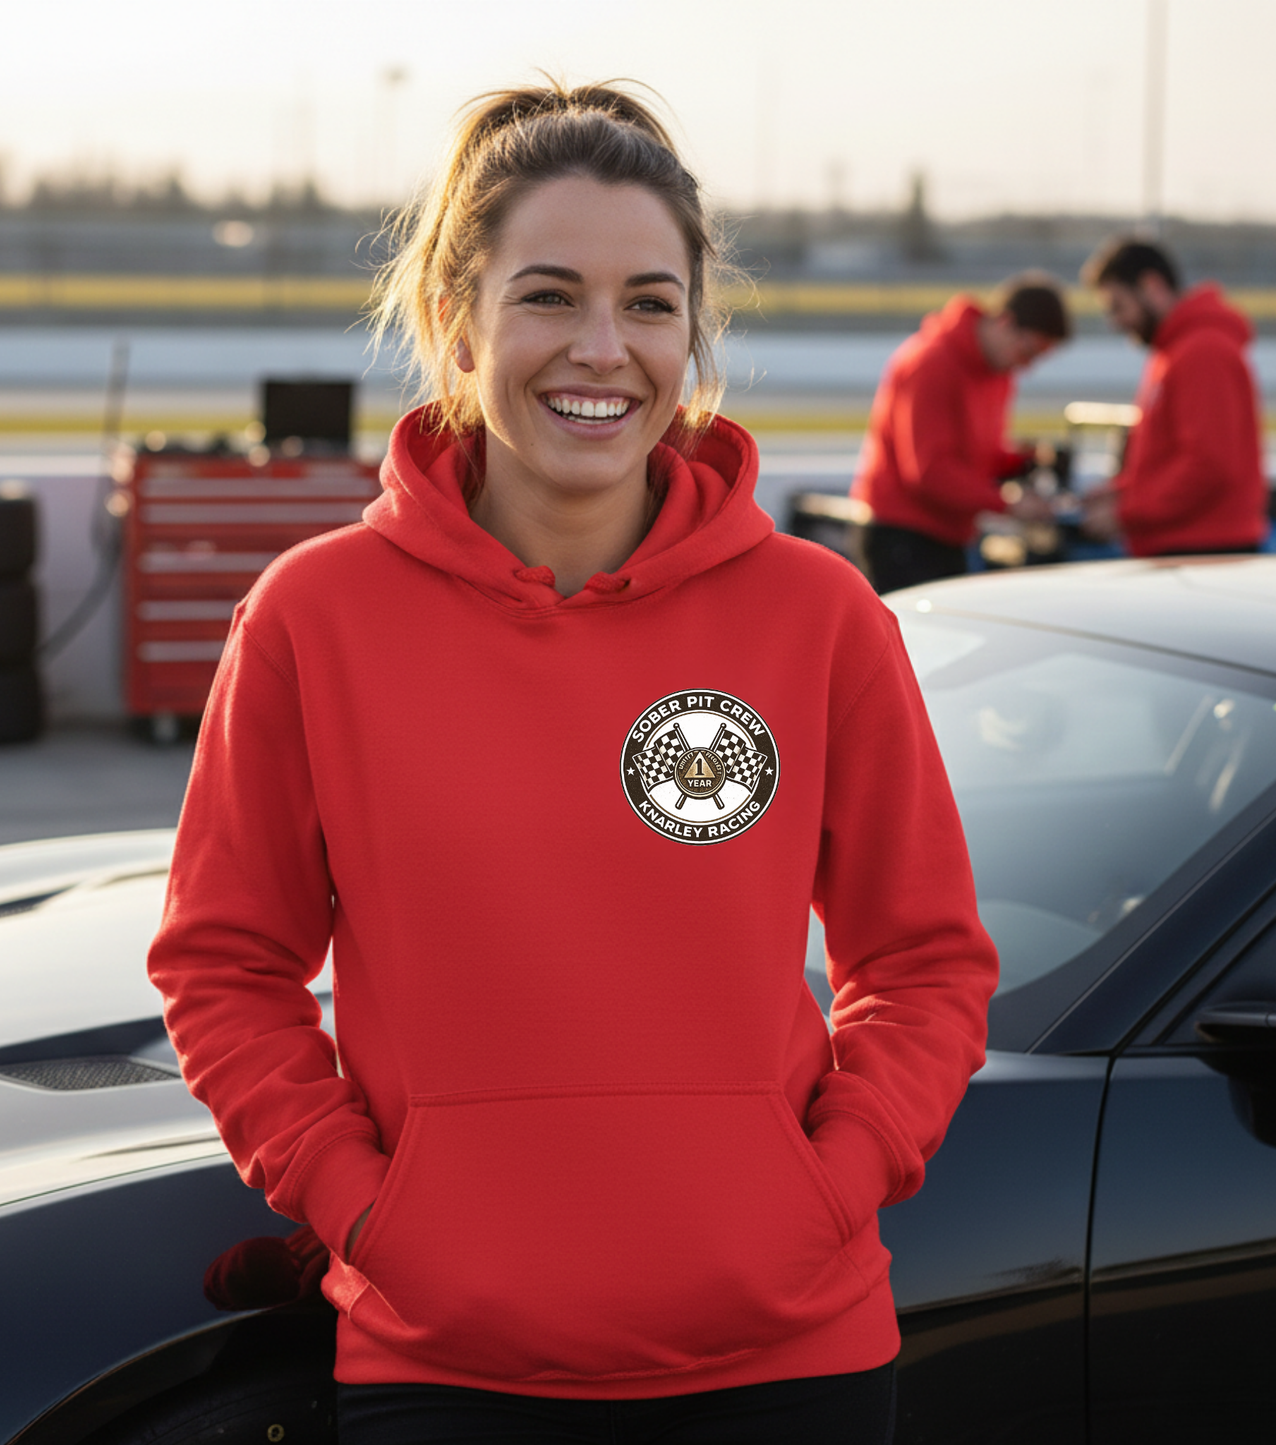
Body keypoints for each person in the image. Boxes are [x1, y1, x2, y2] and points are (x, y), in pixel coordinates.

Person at [148, 82, 998, 1445]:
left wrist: (835, 1180)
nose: (602, 350)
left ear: (693, 333)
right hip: (444, 1371)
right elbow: (223, 964)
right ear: (454, 319)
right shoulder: (315, 617)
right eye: (548, 295)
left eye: (650, 304)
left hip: (789, 1362)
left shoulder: (817, 615)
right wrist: (360, 1202)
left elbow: (926, 959)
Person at [850, 276, 1070, 594]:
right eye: (1028, 352)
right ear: (1005, 323)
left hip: (949, 535)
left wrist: (1028, 460)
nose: (1026, 366)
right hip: (902, 536)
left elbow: (976, 457)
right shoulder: (932, 362)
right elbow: (930, 472)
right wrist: (1008, 503)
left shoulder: (997, 373)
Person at [1079, 237, 1269, 557]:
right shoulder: (1175, 351)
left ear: (1152, 286)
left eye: (1119, 307)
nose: (1117, 323)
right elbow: (1173, 458)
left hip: (1203, 552)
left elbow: (1209, 465)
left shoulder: (1203, 350)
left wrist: (1127, 511)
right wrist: (1122, 492)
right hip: (1186, 548)